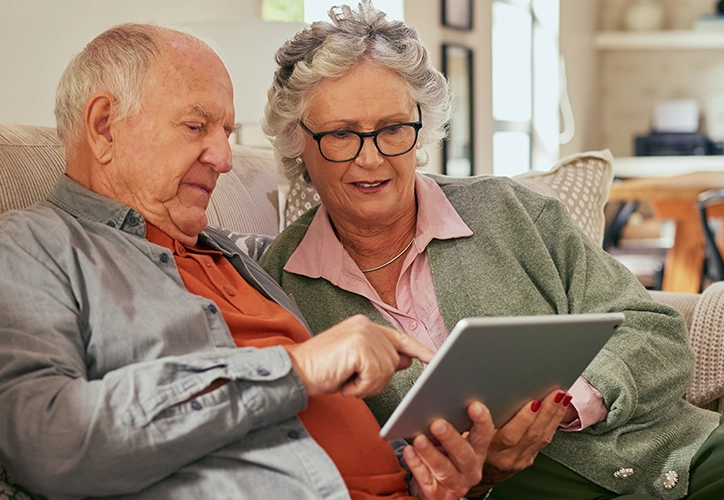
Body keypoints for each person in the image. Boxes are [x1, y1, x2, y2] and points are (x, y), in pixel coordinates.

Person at [0, 22, 492, 499]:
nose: (225, 158)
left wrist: (426, 474)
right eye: (196, 127)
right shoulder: (23, 252)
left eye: (226, 132)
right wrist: (295, 370)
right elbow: (50, 440)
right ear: (103, 126)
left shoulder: (241, 257)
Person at [254, 3, 724, 499]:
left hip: (686, 460)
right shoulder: (277, 285)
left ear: (421, 130)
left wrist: (563, 405)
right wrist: (472, 476)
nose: (371, 158)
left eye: (393, 129)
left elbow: (656, 332)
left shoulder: (509, 210)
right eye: (341, 134)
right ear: (296, 141)